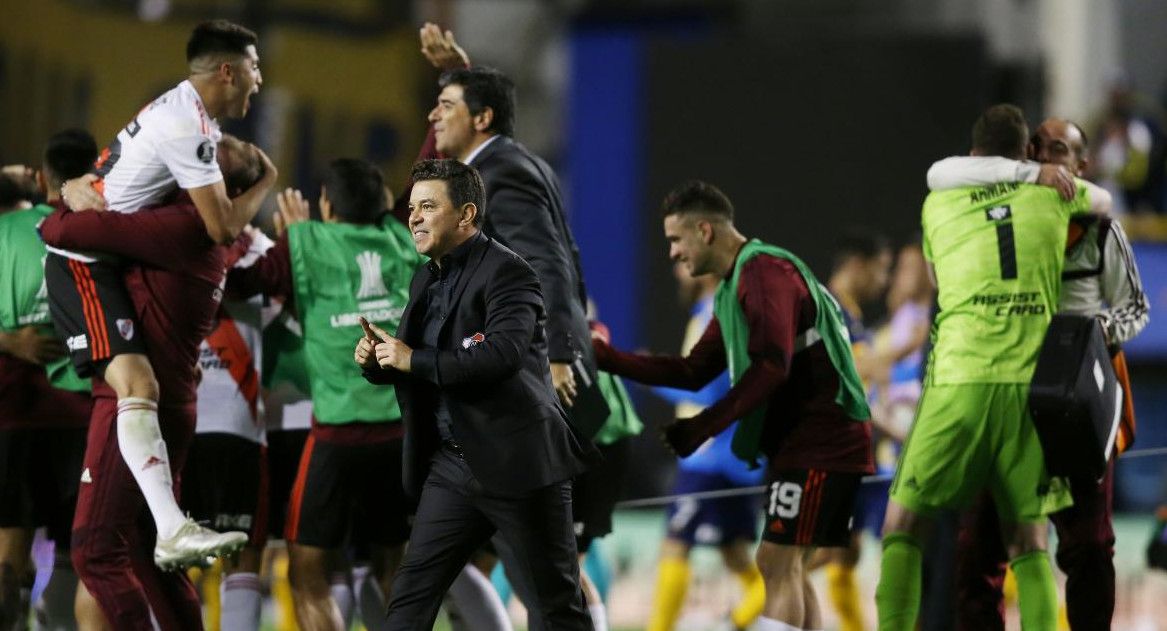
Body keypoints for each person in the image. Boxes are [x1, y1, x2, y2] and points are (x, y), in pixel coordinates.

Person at [594, 181, 875, 631]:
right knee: (788, 568)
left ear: (704, 231)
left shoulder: (764, 273)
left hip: (824, 438)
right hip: (808, 442)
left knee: (776, 562)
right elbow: (691, 371)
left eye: (675, 240)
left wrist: (703, 426)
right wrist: (606, 357)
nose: (672, 254)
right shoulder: (733, 290)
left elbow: (772, 367)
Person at [875, 104, 1112, 631]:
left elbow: (937, 276)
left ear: (972, 151)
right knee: (1029, 541)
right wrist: (1037, 176)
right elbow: (1106, 200)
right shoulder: (1054, 197)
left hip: (958, 383)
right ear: (1027, 151)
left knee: (902, 525)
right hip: (1031, 392)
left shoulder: (940, 203)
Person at [45, 19, 268, 571]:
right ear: (228, 71)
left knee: (146, 385)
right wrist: (266, 180)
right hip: (82, 264)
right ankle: (170, 528)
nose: (259, 81)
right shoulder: (187, 128)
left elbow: (111, 175)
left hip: (103, 257)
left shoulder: (179, 113)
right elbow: (220, 228)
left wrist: (77, 189)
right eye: (254, 69)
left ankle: (167, 530)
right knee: (137, 385)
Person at [39, 134, 275, 631]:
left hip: (131, 404)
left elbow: (60, 229)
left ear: (213, 180)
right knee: (152, 557)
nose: (202, 142)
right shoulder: (204, 232)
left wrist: (76, 196)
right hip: (169, 403)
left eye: (216, 149)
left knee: (96, 553)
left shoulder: (178, 227)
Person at [356, 158, 599, 631]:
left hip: (520, 462)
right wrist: (380, 360)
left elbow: (500, 358)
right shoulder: (425, 276)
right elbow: (422, 365)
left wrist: (412, 358)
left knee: (555, 607)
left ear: (466, 215)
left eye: (428, 206)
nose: (414, 217)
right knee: (409, 599)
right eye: (411, 207)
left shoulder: (511, 274)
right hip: (453, 465)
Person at [927, 117, 1149, 631]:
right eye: (1039, 151)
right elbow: (941, 175)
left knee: (1090, 546)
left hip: (1073, 409)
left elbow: (1135, 308)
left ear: (1081, 165)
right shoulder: (995, 218)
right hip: (1005, 400)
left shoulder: (1098, 227)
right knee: (976, 548)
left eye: (1059, 151)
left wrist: (1094, 337)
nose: (1049, 161)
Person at [225, 158, 422, 631]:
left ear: (327, 205)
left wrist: (291, 241)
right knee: (392, 567)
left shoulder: (304, 242)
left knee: (307, 567)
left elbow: (234, 282)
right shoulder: (404, 240)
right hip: (403, 434)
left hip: (337, 437)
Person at [0, 130, 104, 631]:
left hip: (17, 413)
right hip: (83, 411)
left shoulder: (6, 228)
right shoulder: (101, 231)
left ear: (42, 178)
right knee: (78, 547)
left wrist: (8, 342)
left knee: (10, 552)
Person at [644, 263, 765, 631]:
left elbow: (705, 388)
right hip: (734, 457)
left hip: (710, 457)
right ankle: (740, 622)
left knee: (675, 546)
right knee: (736, 557)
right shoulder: (723, 310)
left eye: (681, 260)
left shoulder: (716, 314)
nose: (677, 270)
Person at [182, 227, 277, 631]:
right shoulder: (259, 249)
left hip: (182, 429)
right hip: (237, 428)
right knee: (241, 559)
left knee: (176, 560)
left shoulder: (166, 240)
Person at [814, 232, 892, 631]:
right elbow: (848, 378)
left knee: (845, 554)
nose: (884, 280)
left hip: (854, 453)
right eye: (881, 269)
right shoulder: (829, 309)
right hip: (830, 452)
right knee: (810, 556)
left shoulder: (852, 314)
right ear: (857, 265)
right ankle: (741, 619)